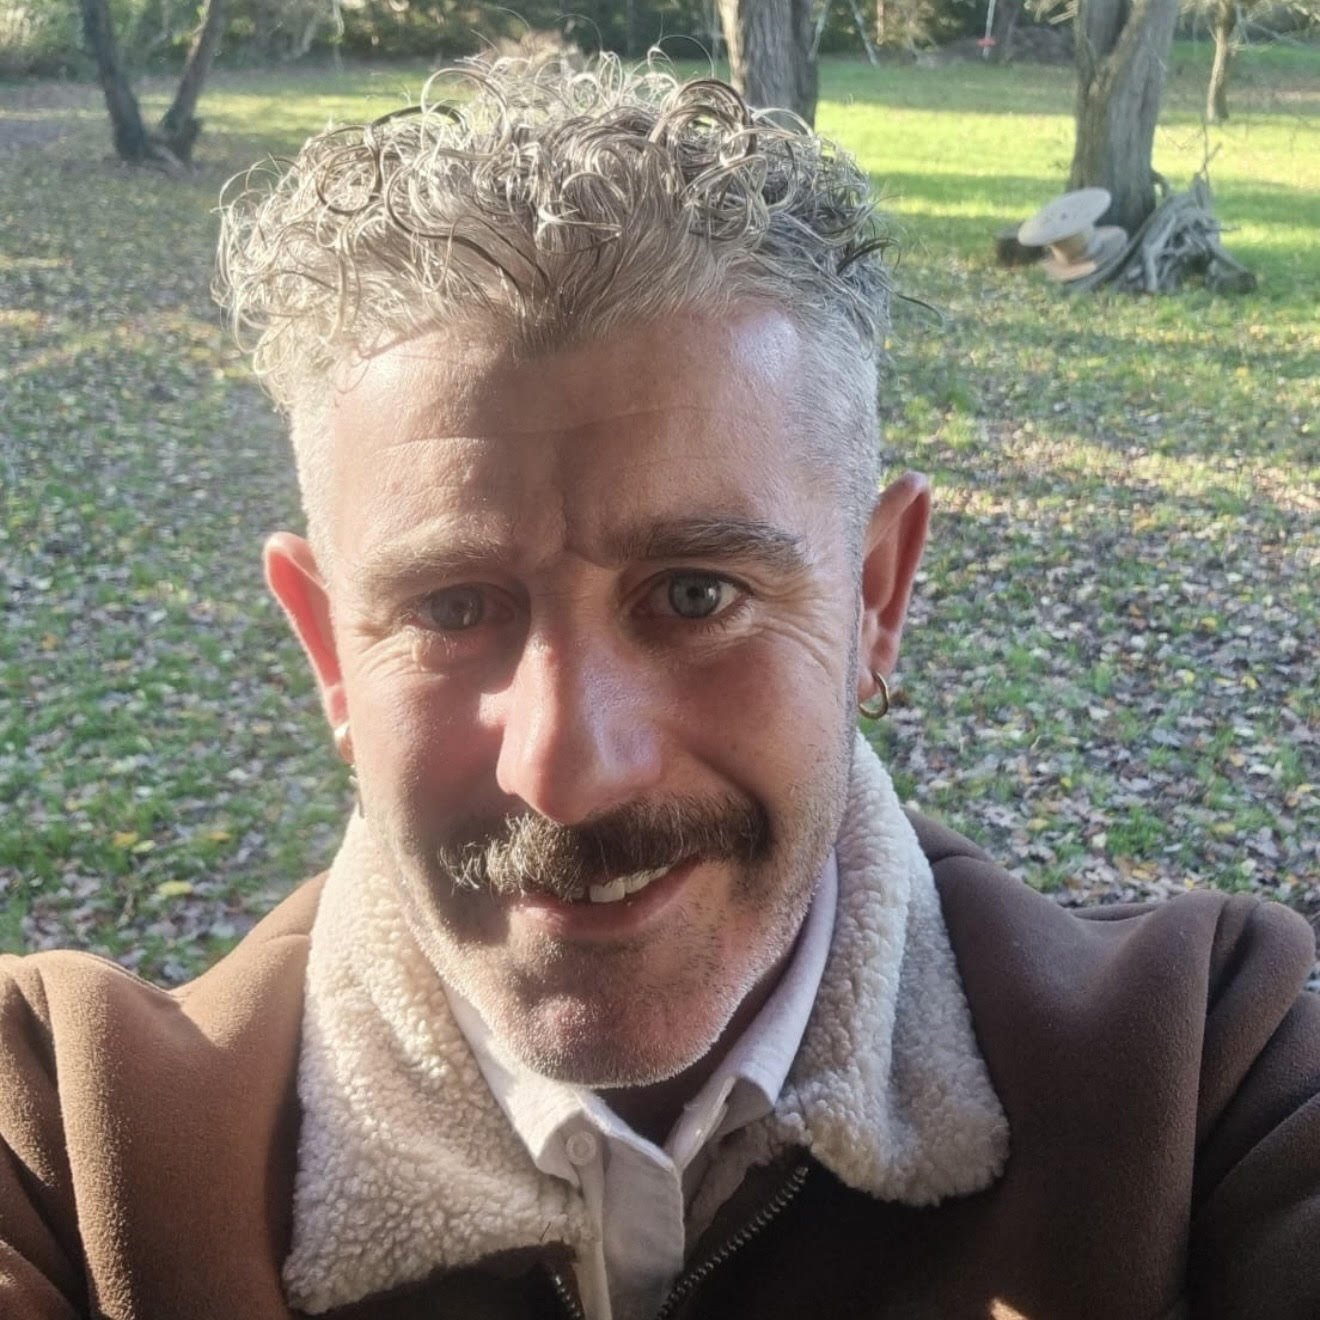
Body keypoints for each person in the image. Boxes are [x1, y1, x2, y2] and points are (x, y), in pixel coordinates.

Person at [1, 57, 1317, 1320]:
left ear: (876, 598)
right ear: (332, 651)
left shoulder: (1209, 1075)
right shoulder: (72, 1146)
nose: (570, 767)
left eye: (696, 595)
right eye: (454, 609)